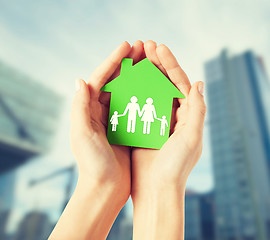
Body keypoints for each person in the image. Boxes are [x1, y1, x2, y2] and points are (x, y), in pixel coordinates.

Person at [49, 40, 206, 240]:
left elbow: (145, 111)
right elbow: (132, 111)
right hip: (130, 121)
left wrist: (158, 189)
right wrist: (100, 182)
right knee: (132, 125)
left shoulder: (146, 105)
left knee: (142, 126)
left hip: (148, 122)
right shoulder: (134, 105)